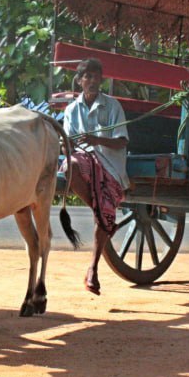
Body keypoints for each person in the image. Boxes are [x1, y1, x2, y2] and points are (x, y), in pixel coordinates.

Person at [62, 57, 130, 295]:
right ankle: (101, 210)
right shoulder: (71, 110)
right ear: (80, 81)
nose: (91, 81)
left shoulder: (112, 106)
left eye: (95, 76)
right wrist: (69, 146)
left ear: (101, 80)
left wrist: (96, 140)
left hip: (109, 166)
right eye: (87, 77)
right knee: (68, 164)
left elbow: (122, 141)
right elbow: (66, 146)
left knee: (101, 199)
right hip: (82, 162)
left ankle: (93, 268)